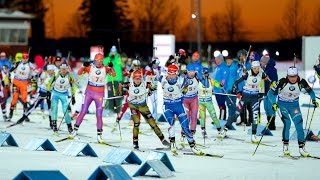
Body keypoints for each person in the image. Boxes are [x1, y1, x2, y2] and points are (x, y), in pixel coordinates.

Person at [267, 66, 319, 157]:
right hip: (282, 105)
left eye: (294, 76)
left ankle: (302, 148)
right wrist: (274, 104)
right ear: (287, 76)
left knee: (299, 125)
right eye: (290, 76)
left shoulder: (301, 81)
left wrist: (314, 100)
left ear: (297, 75)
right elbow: (270, 93)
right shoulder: (282, 81)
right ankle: (286, 146)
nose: (292, 78)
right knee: (287, 123)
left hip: (294, 106)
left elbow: (311, 92)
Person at [69, 53, 115, 143]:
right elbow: (79, 73)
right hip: (89, 93)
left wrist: (111, 67)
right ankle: (74, 131)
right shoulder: (90, 67)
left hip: (100, 94)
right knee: (83, 111)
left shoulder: (105, 68)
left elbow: (113, 75)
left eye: (100, 61)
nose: (98, 63)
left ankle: (99, 135)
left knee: (99, 115)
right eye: (97, 61)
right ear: (94, 60)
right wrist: (83, 66)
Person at [220, 61, 269, 143]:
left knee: (255, 116)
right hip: (245, 97)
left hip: (254, 98)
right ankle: (224, 129)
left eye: (258, 68)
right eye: (255, 68)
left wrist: (268, 88)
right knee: (236, 114)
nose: (256, 70)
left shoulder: (262, 74)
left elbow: (268, 80)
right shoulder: (247, 74)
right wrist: (238, 92)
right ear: (252, 68)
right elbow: (236, 82)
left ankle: (254, 135)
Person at [159, 64, 202, 155]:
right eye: (169, 74)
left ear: (177, 73)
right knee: (171, 123)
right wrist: (149, 89)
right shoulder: (162, 79)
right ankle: (173, 142)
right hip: (167, 106)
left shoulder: (182, 80)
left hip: (178, 105)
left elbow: (186, 88)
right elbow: (151, 78)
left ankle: (192, 146)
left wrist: (184, 90)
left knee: (185, 126)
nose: (171, 76)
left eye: (173, 74)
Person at [121, 70, 170, 149]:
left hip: (143, 106)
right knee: (136, 123)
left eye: (139, 79)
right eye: (136, 79)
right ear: (133, 79)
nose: (137, 80)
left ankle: (163, 140)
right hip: (133, 105)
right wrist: (121, 93)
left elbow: (153, 87)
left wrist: (151, 90)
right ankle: (135, 143)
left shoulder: (145, 84)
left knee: (153, 123)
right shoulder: (129, 84)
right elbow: (120, 85)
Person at [47, 63, 76, 135]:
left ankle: (69, 127)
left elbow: (73, 87)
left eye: (65, 69)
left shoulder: (70, 76)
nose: (63, 70)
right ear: (60, 68)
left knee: (65, 111)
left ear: (67, 69)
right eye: (62, 69)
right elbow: (50, 83)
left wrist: (73, 97)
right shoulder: (56, 74)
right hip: (56, 93)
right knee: (54, 108)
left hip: (64, 94)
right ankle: (54, 126)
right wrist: (48, 92)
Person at [8, 52, 37, 121]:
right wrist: (10, 73)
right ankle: (10, 113)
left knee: (24, 98)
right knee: (15, 97)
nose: (24, 59)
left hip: (24, 83)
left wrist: (33, 82)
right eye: (23, 58)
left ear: (28, 58)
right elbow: (10, 70)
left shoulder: (30, 65)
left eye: (26, 58)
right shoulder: (18, 63)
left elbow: (34, 75)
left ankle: (25, 115)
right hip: (16, 82)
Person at [198, 67, 223, 137]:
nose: (205, 75)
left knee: (214, 116)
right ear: (202, 74)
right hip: (201, 102)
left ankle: (219, 130)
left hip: (209, 102)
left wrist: (221, 84)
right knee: (202, 116)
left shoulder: (211, 81)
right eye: (204, 74)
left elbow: (218, 85)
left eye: (206, 74)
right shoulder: (198, 81)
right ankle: (203, 130)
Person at [103, 46, 123, 115]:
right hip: (110, 79)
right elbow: (105, 64)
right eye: (112, 51)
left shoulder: (118, 58)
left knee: (117, 95)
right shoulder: (107, 59)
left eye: (114, 52)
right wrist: (110, 58)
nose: (113, 53)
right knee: (110, 94)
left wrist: (117, 57)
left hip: (118, 79)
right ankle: (110, 109)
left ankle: (118, 110)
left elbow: (122, 65)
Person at [260, 55, 278, 130]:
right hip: (264, 91)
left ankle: (272, 124)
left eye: (262, 62)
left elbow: (274, 81)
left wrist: (270, 81)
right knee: (266, 107)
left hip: (271, 92)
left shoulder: (272, 70)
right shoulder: (263, 69)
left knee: (271, 107)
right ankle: (269, 121)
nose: (260, 63)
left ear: (265, 62)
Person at [183, 64, 199, 134]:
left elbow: (205, 84)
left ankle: (193, 130)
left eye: (193, 72)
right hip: (185, 100)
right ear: (187, 71)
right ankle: (184, 130)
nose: (192, 74)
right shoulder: (183, 78)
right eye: (190, 72)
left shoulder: (197, 78)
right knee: (186, 116)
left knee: (194, 115)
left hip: (194, 99)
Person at [212, 54, 229, 120]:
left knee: (222, 104)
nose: (217, 61)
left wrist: (222, 84)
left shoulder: (223, 67)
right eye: (216, 60)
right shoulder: (217, 68)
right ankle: (221, 117)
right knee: (220, 104)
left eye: (218, 59)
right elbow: (214, 78)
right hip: (216, 90)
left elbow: (224, 77)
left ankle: (222, 118)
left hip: (221, 90)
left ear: (221, 59)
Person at [225, 56, 238, 122]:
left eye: (230, 60)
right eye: (227, 60)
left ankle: (233, 117)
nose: (228, 61)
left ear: (232, 60)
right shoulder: (225, 67)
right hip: (227, 88)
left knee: (233, 103)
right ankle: (230, 116)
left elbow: (238, 75)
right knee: (228, 103)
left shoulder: (235, 66)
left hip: (233, 88)